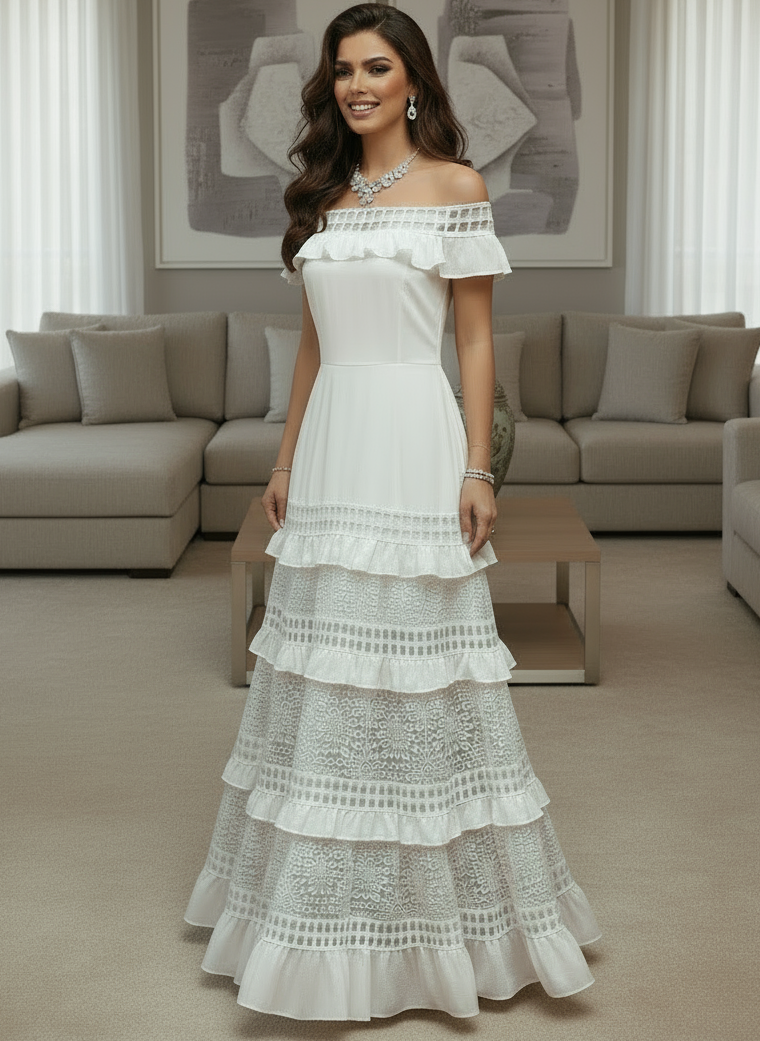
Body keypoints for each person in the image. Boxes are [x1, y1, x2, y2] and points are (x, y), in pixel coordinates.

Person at [184, 3, 600, 1020]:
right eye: (343, 70)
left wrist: (477, 468)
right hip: (333, 440)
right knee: (324, 658)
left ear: (413, 80)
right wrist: (286, 457)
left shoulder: (456, 186)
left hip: (414, 433)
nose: (357, 85)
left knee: (421, 661)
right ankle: (313, 907)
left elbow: (473, 341)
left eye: (376, 67)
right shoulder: (323, 196)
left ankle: (442, 918)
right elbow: (314, 344)